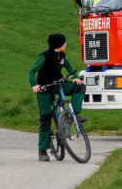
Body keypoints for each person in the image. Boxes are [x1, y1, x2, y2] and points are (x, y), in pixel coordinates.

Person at [29, 33, 87, 162]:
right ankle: (43, 151)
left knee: (80, 87)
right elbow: (32, 71)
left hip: (58, 83)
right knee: (45, 118)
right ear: (59, 44)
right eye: (64, 42)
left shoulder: (62, 55)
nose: (66, 44)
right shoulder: (45, 56)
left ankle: (74, 115)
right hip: (45, 87)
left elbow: (68, 65)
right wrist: (34, 85)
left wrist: (75, 77)